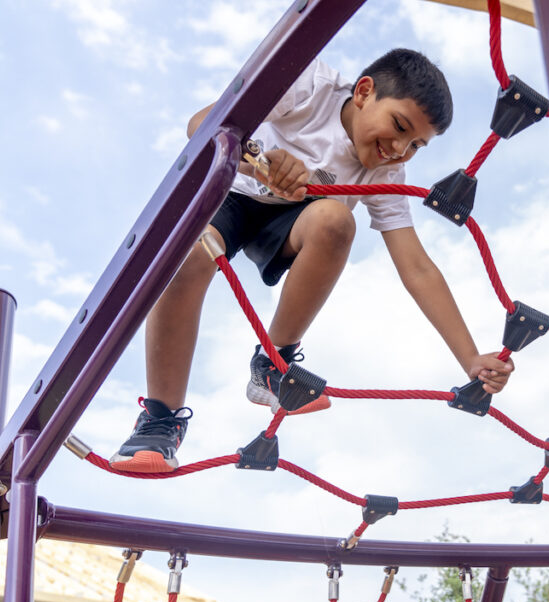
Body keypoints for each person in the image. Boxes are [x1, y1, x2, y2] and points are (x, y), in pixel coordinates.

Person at [110, 48, 514, 473]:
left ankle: (273, 362)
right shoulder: (311, 87)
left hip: (292, 224)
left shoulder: (384, 174)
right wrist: (257, 164)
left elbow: (416, 266)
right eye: (399, 126)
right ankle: (160, 419)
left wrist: (470, 358)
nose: (399, 149)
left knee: (336, 221)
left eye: (416, 145)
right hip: (233, 192)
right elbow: (200, 125)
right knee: (191, 252)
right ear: (363, 92)